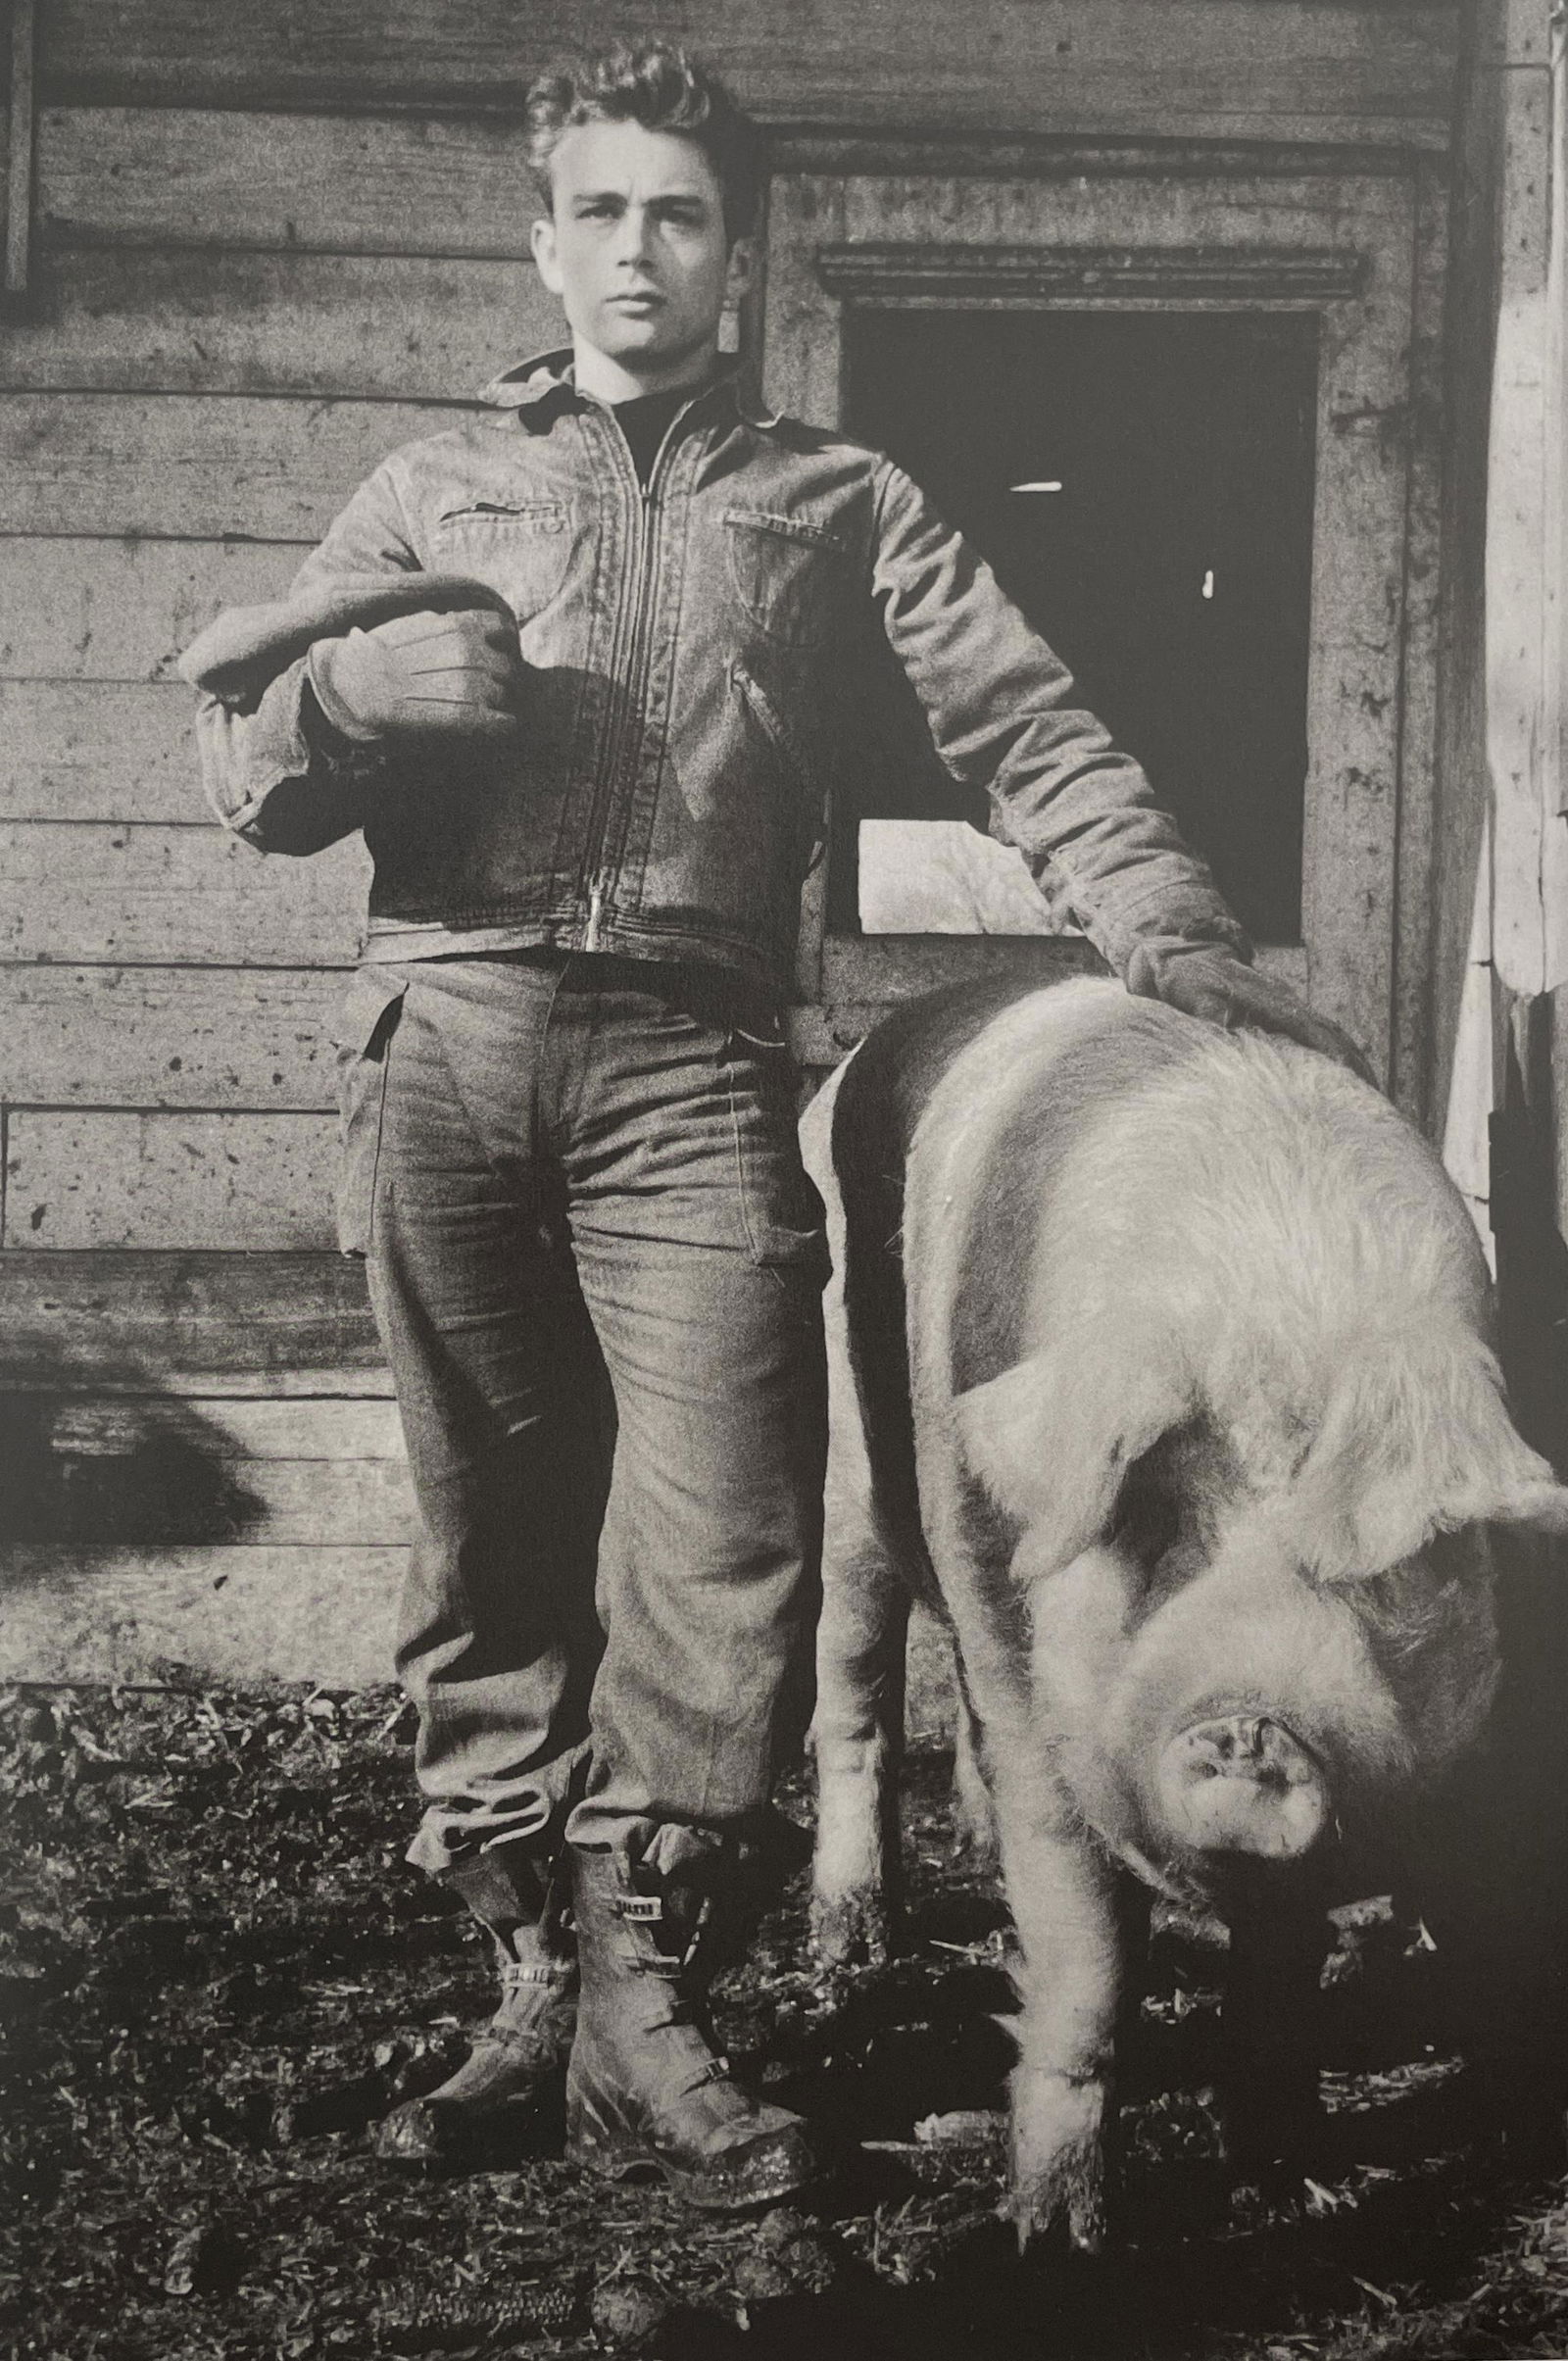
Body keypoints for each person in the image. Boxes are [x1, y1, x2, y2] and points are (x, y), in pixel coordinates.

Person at [181, 40, 1363, 2211]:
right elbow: (244, 763)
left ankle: (651, 2004)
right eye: (601, 211)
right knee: (486, 1537)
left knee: (722, 1538)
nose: (639, 251)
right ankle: (530, 1985)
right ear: (543, 239)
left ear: (740, 254)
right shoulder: (431, 486)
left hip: (692, 1067)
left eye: (681, 216)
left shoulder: (837, 505)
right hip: (441, 1041)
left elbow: (1024, 728)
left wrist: (1174, 931)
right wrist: (345, 706)